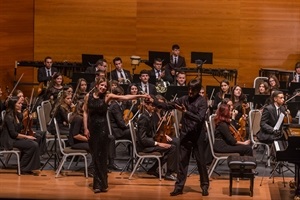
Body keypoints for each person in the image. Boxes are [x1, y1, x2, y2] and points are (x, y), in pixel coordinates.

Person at [83, 77, 149, 193]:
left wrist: (140, 96)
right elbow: (85, 112)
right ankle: (101, 184)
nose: (103, 88)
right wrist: (85, 128)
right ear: (97, 85)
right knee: (95, 156)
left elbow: (125, 97)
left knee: (101, 157)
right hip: (92, 130)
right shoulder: (88, 96)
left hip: (103, 130)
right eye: (102, 85)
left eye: (105, 86)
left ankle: (99, 185)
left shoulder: (108, 97)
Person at [150, 79, 209, 196]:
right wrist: (154, 102)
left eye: (193, 90)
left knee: (201, 162)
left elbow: (200, 118)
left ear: (198, 90)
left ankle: (204, 186)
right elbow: (168, 105)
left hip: (198, 135)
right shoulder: (184, 99)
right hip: (186, 134)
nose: (190, 91)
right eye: (189, 89)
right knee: (182, 162)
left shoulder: (202, 101)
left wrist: (185, 112)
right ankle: (179, 187)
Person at [136, 97, 178, 181]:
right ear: (146, 105)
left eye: (154, 105)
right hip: (144, 147)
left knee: (172, 145)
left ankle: (153, 169)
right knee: (172, 148)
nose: (154, 107)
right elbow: (143, 139)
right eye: (152, 105)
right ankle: (169, 173)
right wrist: (158, 143)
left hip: (148, 143)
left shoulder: (149, 115)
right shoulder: (144, 118)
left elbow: (152, 133)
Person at [0, 96, 41, 174]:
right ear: (13, 105)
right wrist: (26, 136)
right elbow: (13, 134)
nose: (21, 105)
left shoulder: (17, 114)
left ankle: (29, 167)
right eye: (19, 103)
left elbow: (21, 127)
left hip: (15, 139)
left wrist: (27, 117)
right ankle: (23, 168)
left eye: (21, 103)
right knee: (33, 145)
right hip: (9, 141)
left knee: (35, 140)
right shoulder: (9, 117)